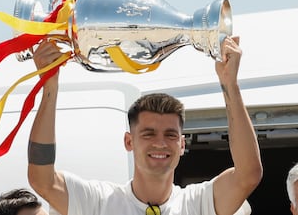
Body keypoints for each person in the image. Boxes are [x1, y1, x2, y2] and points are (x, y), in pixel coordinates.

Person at [26, 36, 263, 215]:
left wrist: (230, 84)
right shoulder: (98, 201)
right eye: (148, 134)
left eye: (170, 135)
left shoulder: (198, 202)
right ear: (129, 141)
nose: (160, 143)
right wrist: (50, 87)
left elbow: (248, 174)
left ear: (182, 144)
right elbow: (42, 180)